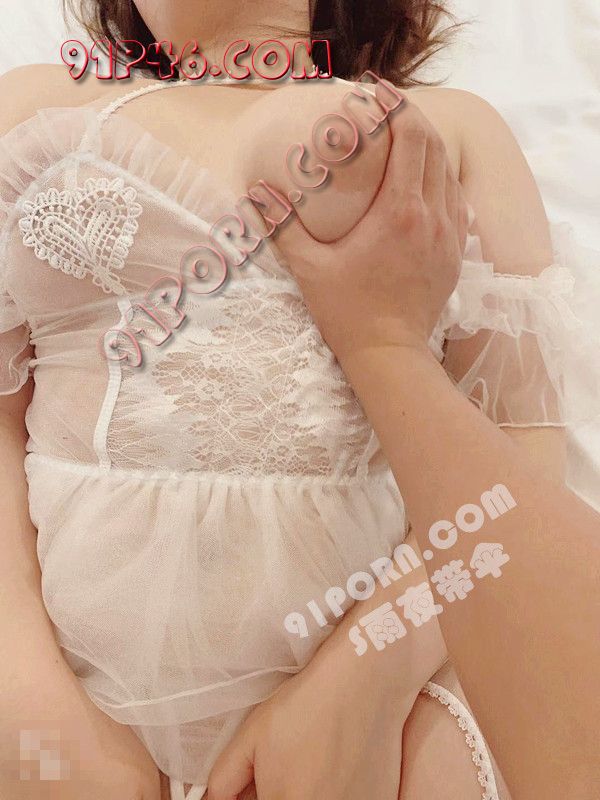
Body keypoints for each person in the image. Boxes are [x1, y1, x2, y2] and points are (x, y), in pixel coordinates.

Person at [0, 3, 597, 800]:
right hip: (71, 698)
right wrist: (25, 686)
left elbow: (523, 461)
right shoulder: (35, 106)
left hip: (388, 693)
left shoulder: (447, 129)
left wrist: (365, 677)